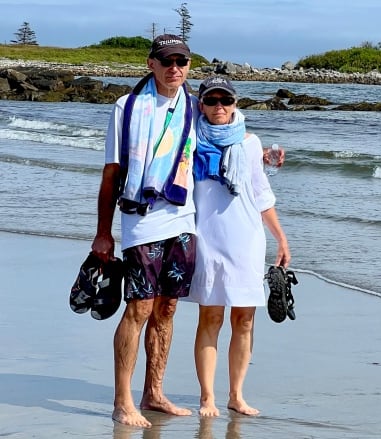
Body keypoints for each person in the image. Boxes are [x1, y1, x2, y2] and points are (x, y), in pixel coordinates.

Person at [91, 34, 197, 428]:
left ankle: (154, 392)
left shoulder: (195, 105)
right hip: (141, 219)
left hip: (184, 219)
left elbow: (226, 137)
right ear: (151, 63)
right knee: (139, 308)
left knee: (167, 308)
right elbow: (111, 173)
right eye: (167, 60)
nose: (175, 68)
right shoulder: (128, 107)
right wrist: (104, 232)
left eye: (182, 61)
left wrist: (265, 156)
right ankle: (123, 401)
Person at [185, 75, 291, 417]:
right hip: (207, 239)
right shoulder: (188, 139)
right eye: (212, 101)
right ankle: (207, 397)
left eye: (226, 101)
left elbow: (261, 195)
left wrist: (280, 237)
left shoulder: (250, 143)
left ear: (235, 104)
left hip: (247, 239)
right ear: (200, 104)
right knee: (210, 317)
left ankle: (236, 395)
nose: (219, 107)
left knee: (244, 319)